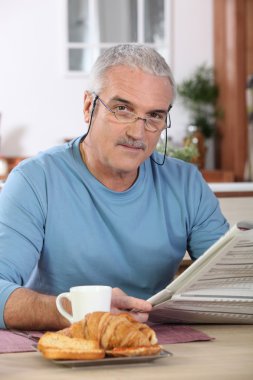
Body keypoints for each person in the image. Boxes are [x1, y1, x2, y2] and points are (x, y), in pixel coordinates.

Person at [0, 44, 229, 331]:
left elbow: (229, 287)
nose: (137, 132)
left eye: (154, 116)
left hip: (157, 348)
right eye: (122, 109)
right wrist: (82, 310)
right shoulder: (34, 181)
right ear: (88, 107)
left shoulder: (187, 184)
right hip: (60, 349)